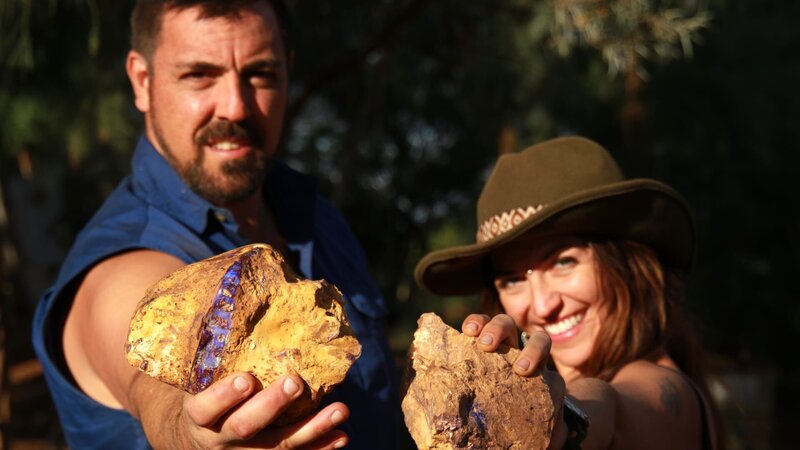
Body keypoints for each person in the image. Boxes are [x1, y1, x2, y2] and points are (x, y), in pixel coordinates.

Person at [31, 1, 397, 449]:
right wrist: (192, 432)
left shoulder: (319, 218)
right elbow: (156, 393)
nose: (236, 107)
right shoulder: (122, 261)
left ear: (288, 70)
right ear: (142, 81)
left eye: (260, 74)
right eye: (199, 75)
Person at [414, 136, 723, 450]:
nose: (543, 305)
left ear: (627, 265)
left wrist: (561, 415)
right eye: (512, 280)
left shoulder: (667, 391)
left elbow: (611, 409)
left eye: (564, 262)